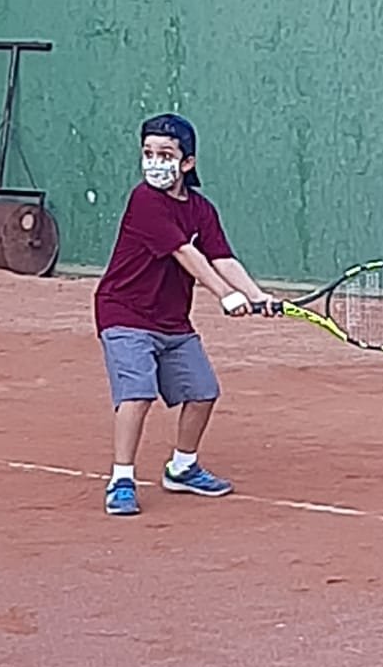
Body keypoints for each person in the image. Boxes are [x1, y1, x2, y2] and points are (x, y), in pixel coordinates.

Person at [93, 113, 273, 516]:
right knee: (137, 394)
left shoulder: (201, 210)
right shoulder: (144, 201)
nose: (155, 162)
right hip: (124, 312)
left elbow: (221, 257)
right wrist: (226, 297)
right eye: (148, 153)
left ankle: (183, 468)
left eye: (166, 154)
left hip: (172, 320)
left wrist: (257, 294)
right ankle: (121, 479)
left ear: (187, 162)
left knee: (202, 393)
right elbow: (185, 253)